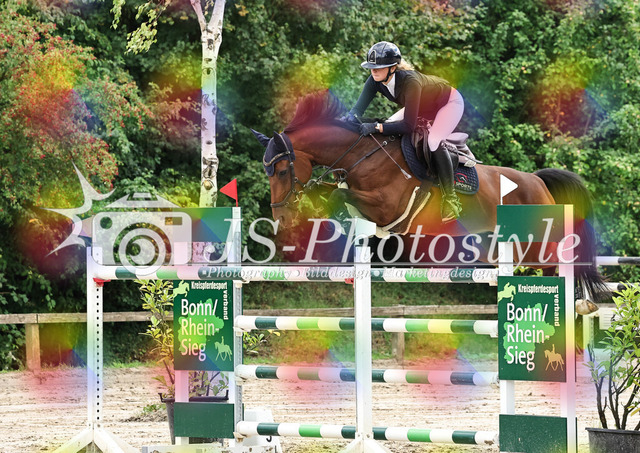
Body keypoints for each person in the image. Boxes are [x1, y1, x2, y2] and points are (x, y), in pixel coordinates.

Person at [345, 41, 464, 223]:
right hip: (422, 106)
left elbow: (408, 126)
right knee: (388, 124)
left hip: (449, 103)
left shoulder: (410, 82)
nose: (373, 71)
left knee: (433, 140)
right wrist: (344, 121)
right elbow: (357, 111)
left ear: (393, 68)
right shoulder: (375, 81)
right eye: (371, 67)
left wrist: (376, 127)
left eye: (378, 68)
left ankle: (451, 198)